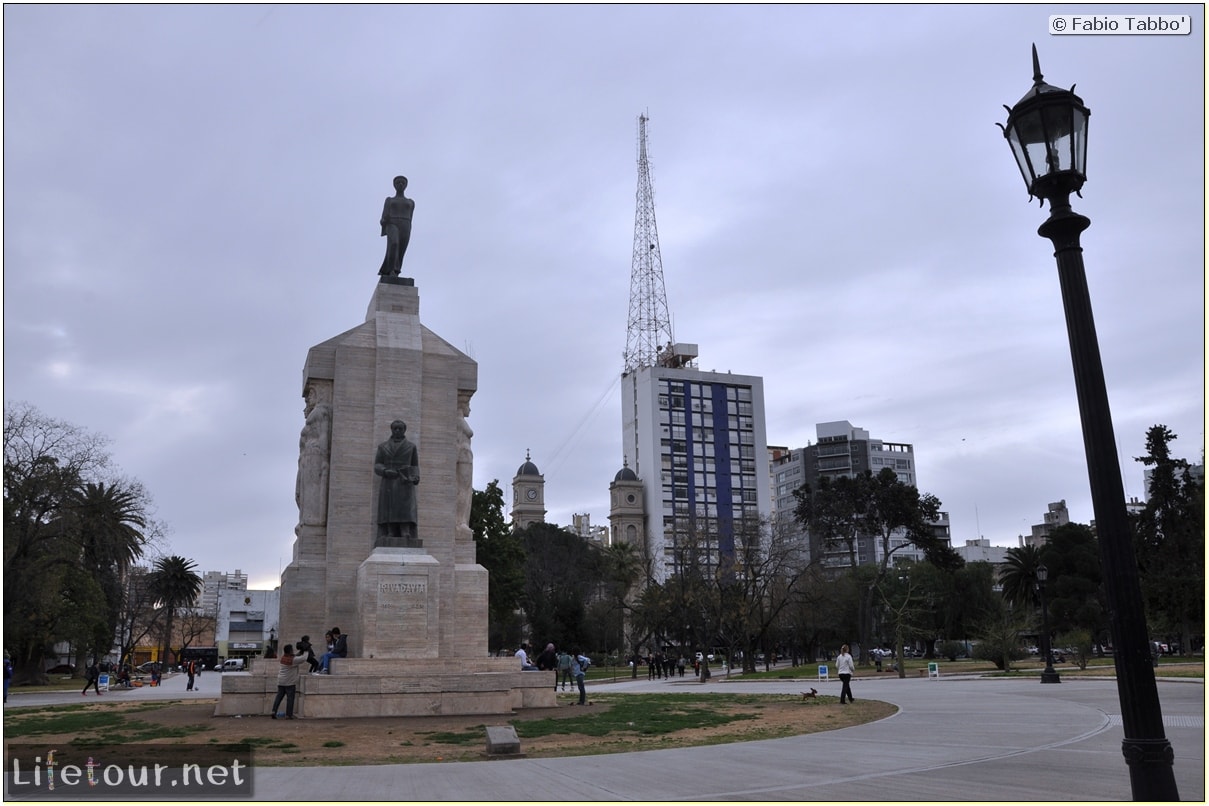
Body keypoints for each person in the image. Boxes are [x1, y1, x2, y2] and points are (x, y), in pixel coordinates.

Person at [374, 420, 420, 547]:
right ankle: (390, 531)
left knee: (405, 508)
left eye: (400, 429)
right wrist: (384, 471)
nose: (397, 431)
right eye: (395, 428)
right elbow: (377, 464)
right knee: (389, 507)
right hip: (389, 480)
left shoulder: (411, 447)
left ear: (404, 430)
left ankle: (406, 531)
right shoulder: (383, 447)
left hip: (405, 481)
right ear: (392, 430)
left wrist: (416, 476)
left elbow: (415, 465)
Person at [295, 382, 333, 529]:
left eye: (310, 394)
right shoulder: (314, 413)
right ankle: (306, 518)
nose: (309, 398)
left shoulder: (321, 411)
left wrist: (325, 458)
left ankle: (313, 519)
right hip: (306, 458)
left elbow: (324, 434)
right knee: (300, 492)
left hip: (315, 454)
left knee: (312, 488)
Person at [378, 175, 415, 277]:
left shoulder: (411, 202)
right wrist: (384, 220)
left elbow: (411, 217)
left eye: (403, 183)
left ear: (406, 185)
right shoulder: (389, 200)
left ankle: (394, 271)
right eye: (398, 182)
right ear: (394, 185)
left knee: (401, 250)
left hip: (406, 225)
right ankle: (392, 270)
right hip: (392, 224)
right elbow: (382, 218)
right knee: (394, 244)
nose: (400, 184)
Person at [270, 644, 309, 720]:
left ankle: (273, 711)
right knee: (290, 699)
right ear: (290, 651)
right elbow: (304, 658)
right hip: (289, 682)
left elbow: (295, 656)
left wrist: (300, 651)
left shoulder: (283, 658)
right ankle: (288, 715)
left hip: (281, 681)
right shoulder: (293, 660)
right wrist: (306, 650)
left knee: (279, 697)